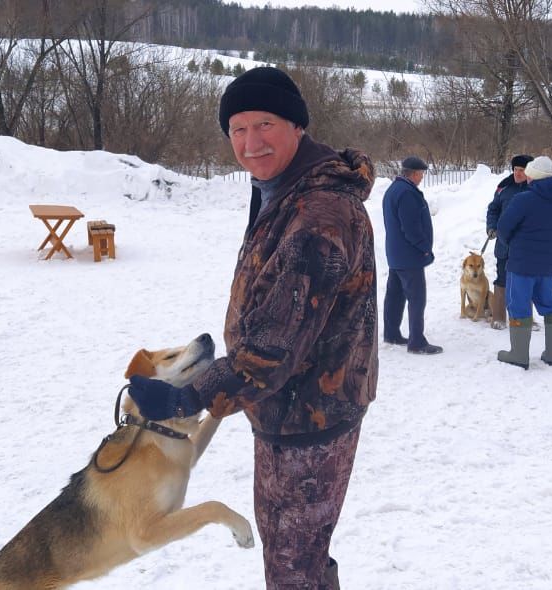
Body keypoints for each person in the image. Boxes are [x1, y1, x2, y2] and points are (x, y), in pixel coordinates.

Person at [125, 66, 377, 589]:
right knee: (299, 554)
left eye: (264, 124)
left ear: (297, 127)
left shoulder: (319, 215)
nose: (250, 142)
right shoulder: (283, 187)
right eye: (237, 129)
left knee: (292, 567)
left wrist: (186, 397)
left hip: (308, 419)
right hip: (289, 407)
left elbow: (273, 346)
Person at [495, 155, 552, 369]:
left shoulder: (524, 200)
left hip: (521, 264)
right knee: (550, 304)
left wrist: (512, 243)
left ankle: (519, 355)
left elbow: (503, 228)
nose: (526, 178)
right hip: (548, 265)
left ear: (535, 177)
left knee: (518, 305)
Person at [381, 156, 443, 355]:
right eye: (422, 174)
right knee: (417, 298)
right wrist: (424, 247)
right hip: (409, 255)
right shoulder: (407, 193)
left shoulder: (393, 190)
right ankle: (417, 342)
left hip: (395, 253)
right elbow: (411, 228)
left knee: (395, 295)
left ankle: (391, 333)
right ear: (414, 173)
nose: (422, 177)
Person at [486, 154, 534, 330]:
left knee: (525, 280)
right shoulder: (504, 187)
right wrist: (492, 227)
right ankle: (498, 317)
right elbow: (493, 209)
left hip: (526, 245)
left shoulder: (535, 189)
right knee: (502, 278)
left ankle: (527, 318)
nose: (518, 173)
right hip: (504, 243)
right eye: (515, 170)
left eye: (522, 170)